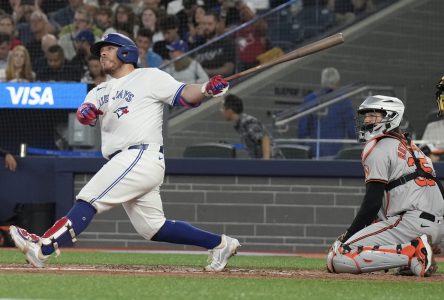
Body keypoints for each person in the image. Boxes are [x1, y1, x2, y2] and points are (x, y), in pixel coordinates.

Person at [9, 32, 240, 272]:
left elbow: (184, 94)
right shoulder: (100, 89)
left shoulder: (149, 77)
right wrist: (86, 113)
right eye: (101, 51)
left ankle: (43, 247)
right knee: (152, 228)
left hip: (140, 155)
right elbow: (86, 110)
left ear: (126, 52)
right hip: (126, 160)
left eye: (109, 48)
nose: (103, 53)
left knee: (90, 196)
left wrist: (206, 88)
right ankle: (220, 244)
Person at [326, 95, 444, 277]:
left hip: (410, 222)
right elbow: (439, 189)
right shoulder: (414, 147)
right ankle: (415, 251)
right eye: (366, 115)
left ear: (391, 116)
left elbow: (372, 202)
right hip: (436, 225)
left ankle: (413, 254)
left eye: (374, 115)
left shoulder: (377, 146)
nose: (367, 120)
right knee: (381, 223)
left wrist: (349, 234)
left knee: (338, 256)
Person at [298, 67, 356, 157]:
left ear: (322, 81)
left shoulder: (310, 99)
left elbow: (302, 130)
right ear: (337, 82)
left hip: (314, 153)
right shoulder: (344, 102)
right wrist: (357, 150)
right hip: (336, 155)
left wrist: (302, 152)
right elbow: (352, 131)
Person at [222, 94, 283, 159]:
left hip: (273, 164)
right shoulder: (239, 125)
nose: (221, 111)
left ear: (229, 111)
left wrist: (265, 163)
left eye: (223, 108)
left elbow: (265, 138)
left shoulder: (247, 122)